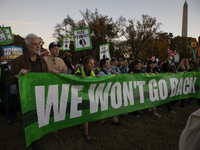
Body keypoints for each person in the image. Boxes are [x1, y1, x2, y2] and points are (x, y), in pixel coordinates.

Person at [6, 33, 49, 150]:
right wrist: (17, 76)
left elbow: (47, 78)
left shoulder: (43, 61)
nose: (37, 46)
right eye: (34, 44)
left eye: (38, 44)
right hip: (27, 98)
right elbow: (8, 80)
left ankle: (35, 140)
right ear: (27, 45)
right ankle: (36, 146)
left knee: (38, 121)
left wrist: (53, 75)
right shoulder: (18, 61)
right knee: (32, 121)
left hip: (41, 96)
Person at [74, 55, 97, 142]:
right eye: (90, 64)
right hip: (80, 96)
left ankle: (80, 125)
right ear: (85, 64)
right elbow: (74, 79)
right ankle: (86, 134)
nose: (92, 65)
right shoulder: (78, 71)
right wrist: (79, 77)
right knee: (85, 115)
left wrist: (98, 78)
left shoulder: (92, 72)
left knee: (84, 114)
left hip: (88, 95)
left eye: (93, 64)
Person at [98, 58, 122, 125]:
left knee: (115, 105)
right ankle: (101, 120)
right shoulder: (101, 72)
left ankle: (115, 120)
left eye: (109, 63)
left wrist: (115, 76)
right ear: (103, 65)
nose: (109, 64)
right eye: (107, 63)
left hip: (111, 92)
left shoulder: (110, 71)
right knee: (104, 106)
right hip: (105, 93)